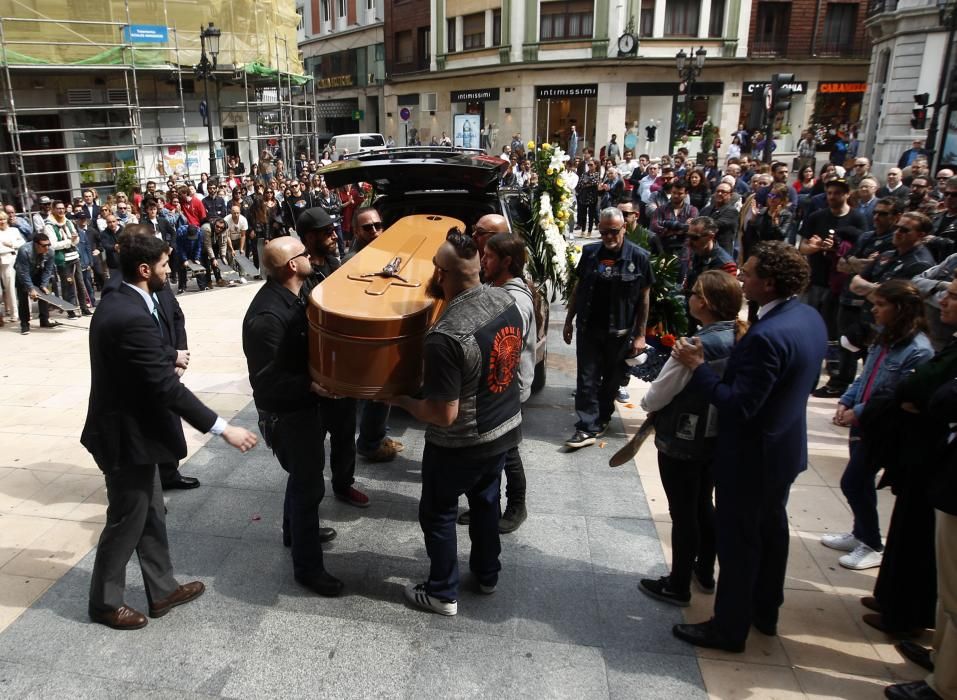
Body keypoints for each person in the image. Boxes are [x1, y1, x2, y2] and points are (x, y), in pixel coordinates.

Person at [82, 233, 257, 630]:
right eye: (164, 265)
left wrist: (168, 353)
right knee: (127, 519)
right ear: (144, 270)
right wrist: (222, 428)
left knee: (151, 514)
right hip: (126, 438)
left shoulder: (127, 300)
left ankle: (161, 591)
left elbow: (145, 355)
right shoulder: (126, 314)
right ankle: (104, 603)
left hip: (140, 433)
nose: (169, 271)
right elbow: (164, 386)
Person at [671, 241, 827, 653]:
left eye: (750, 272)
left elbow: (737, 404)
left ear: (769, 283)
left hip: (752, 459)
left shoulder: (768, 336)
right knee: (772, 532)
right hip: (783, 450)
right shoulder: (808, 317)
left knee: (740, 544)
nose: (741, 276)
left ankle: (729, 627)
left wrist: (699, 369)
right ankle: (764, 610)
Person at [389, 228, 523, 616]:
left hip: (460, 444)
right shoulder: (505, 299)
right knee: (485, 504)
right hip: (504, 429)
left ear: (444, 274)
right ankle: (487, 574)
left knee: (438, 514)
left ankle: (442, 592)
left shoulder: (445, 336)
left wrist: (400, 400)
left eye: (435, 268)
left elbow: (443, 414)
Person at [242, 236, 343, 597]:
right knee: (308, 486)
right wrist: (312, 386)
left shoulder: (300, 291)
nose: (310, 256)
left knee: (303, 477)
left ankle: (293, 531)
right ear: (291, 266)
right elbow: (265, 380)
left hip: (301, 408)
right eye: (304, 254)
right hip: (287, 414)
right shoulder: (268, 316)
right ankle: (308, 569)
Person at [638, 270, 746, 607]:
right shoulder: (740, 336)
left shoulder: (694, 346)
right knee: (702, 503)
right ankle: (704, 569)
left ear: (707, 303)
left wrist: (646, 405)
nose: (690, 297)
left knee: (683, 513)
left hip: (683, 440)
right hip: (716, 438)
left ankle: (678, 583)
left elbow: (659, 393)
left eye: (695, 293)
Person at [825, 281, 933, 571]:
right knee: (860, 483)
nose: (874, 309)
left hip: (881, 427)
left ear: (901, 309)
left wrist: (858, 412)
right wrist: (846, 401)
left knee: (854, 481)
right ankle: (860, 532)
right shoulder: (884, 337)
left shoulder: (918, 350)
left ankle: (872, 542)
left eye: (881, 304)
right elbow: (865, 376)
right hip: (861, 422)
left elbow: (896, 394)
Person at [461, 232, 536, 534]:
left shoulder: (514, 299)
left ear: (507, 262)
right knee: (492, 451)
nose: (483, 261)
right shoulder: (498, 288)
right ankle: (484, 505)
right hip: (498, 385)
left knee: (507, 451)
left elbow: (502, 345)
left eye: (488, 256)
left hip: (507, 386)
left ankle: (516, 505)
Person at [298, 208, 370, 509]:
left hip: (341, 367)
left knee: (343, 435)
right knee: (311, 445)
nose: (334, 235)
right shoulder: (299, 273)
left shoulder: (335, 264)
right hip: (314, 374)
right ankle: (306, 501)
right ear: (310, 237)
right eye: (327, 232)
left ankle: (343, 484)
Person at [563, 207, 653, 448]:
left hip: (620, 332)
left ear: (624, 228)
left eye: (613, 232)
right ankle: (586, 426)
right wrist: (569, 320)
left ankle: (602, 417)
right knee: (587, 378)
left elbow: (644, 298)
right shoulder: (591, 252)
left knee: (612, 380)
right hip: (589, 328)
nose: (609, 237)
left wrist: (640, 335)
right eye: (603, 232)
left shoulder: (639, 257)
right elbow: (579, 288)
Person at [345, 206, 406, 463]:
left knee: (378, 395)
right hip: (368, 336)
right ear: (356, 230)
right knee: (376, 393)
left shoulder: (387, 254)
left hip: (385, 330)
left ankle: (377, 436)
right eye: (367, 227)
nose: (375, 231)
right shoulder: (354, 261)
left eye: (378, 225)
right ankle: (371, 444)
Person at [13, 231, 57, 334]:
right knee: (23, 298)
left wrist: (44, 285)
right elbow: (23, 272)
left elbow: (48, 270)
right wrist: (31, 288)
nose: (47, 247)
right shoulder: (24, 250)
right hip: (23, 273)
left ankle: (44, 320)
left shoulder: (50, 251)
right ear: (36, 245)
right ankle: (25, 324)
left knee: (44, 293)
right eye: (44, 245)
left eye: (48, 244)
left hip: (38, 272)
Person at [0, 210, 25, 326]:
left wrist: (12, 244)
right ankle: (14, 314)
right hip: (3, 261)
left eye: (3, 219)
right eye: (0, 220)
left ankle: (25, 312)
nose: (2, 221)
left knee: (22, 286)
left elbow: (22, 242)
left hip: (15, 258)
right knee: (9, 289)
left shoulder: (14, 230)